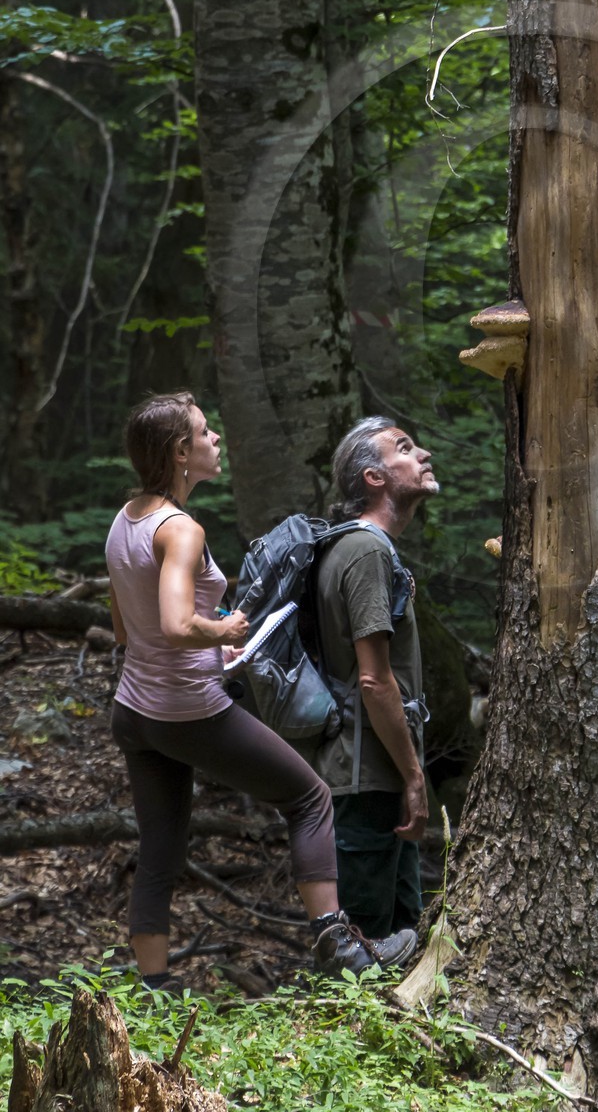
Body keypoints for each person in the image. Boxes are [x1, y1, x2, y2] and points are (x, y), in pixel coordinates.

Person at [105, 390, 417, 988]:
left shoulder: (127, 519)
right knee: (310, 798)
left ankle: (151, 989)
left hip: (135, 711)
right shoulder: (181, 530)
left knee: (160, 849)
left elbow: (129, 628)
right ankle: (337, 944)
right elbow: (173, 625)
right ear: (180, 451)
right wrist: (222, 627)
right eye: (204, 432)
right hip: (188, 712)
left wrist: (212, 647)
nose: (214, 439)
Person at [312, 416, 436, 941]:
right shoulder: (364, 552)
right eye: (404, 448)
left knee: (403, 933)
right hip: (365, 777)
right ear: (374, 478)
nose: (423, 453)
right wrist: (413, 776)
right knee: (361, 949)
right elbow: (374, 680)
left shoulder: (368, 549)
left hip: (373, 773)